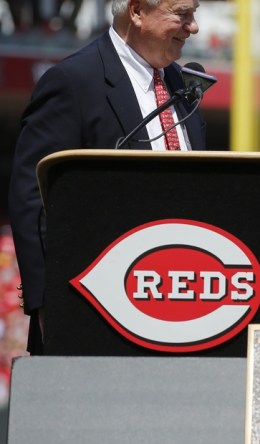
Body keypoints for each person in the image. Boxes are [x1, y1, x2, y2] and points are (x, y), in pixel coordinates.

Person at [8, 0, 205, 355]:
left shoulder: (182, 84)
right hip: (93, 313)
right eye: (182, 14)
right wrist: (47, 303)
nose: (193, 28)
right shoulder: (73, 81)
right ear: (137, 11)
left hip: (178, 309)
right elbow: (32, 198)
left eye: (194, 14)